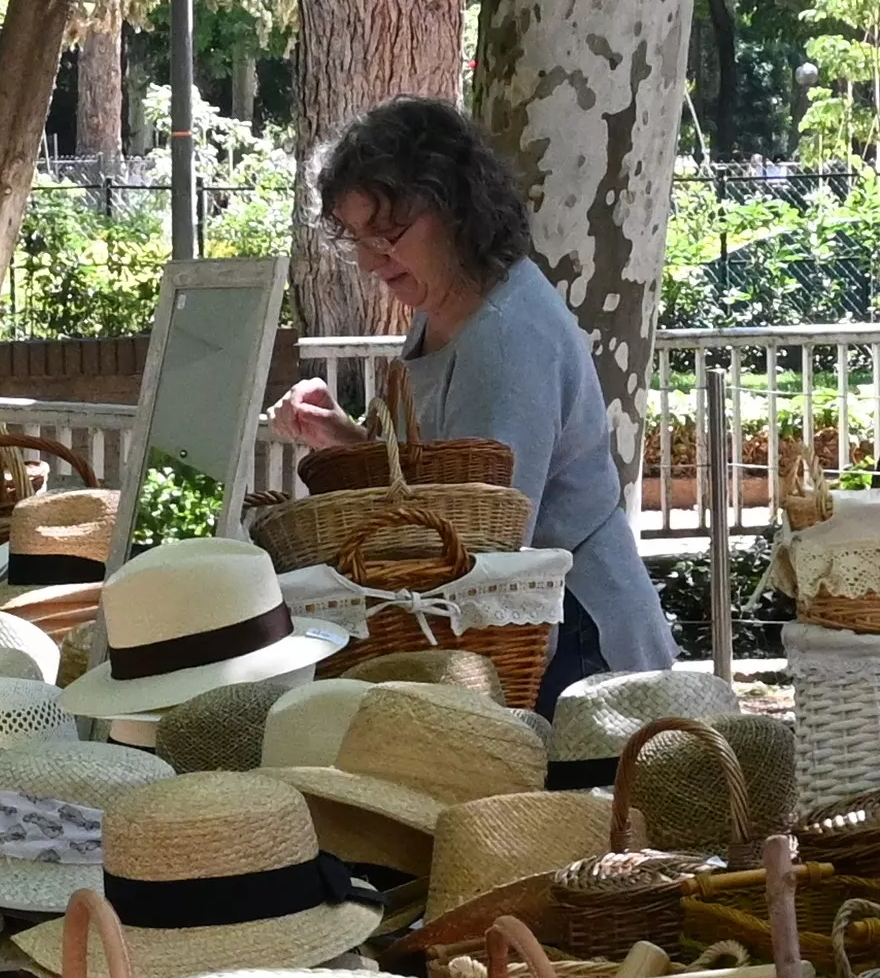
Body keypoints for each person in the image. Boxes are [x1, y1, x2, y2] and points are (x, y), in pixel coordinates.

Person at [264, 98, 666, 700]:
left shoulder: (505, 338)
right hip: (525, 623)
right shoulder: (445, 306)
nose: (372, 261)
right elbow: (443, 481)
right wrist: (347, 441)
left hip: (572, 638)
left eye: (389, 236)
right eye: (359, 239)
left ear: (457, 211)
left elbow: (495, 548)